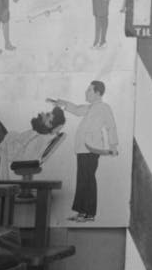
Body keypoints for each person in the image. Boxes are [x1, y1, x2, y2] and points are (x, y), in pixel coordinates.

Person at [49, 81, 119, 223]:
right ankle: (83, 212)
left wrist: (113, 145)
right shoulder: (89, 108)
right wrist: (59, 103)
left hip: (91, 149)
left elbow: (111, 127)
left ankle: (89, 213)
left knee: (88, 180)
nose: (86, 93)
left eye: (89, 90)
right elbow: (75, 109)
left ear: (98, 93)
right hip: (82, 149)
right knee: (83, 180)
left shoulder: (104, 108)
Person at [0, 106, 66, 181]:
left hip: (11, 150)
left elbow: (26, 156)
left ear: (49, 124)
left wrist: (11, 142)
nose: (44, 114)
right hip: (12, 143)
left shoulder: (41, 137)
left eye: (47, 115)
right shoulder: (41, 131)